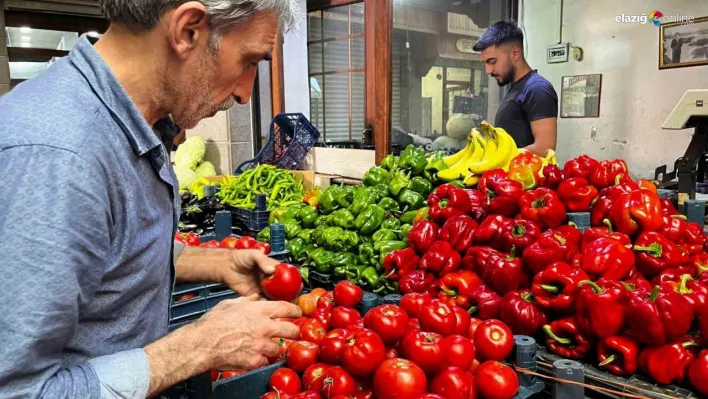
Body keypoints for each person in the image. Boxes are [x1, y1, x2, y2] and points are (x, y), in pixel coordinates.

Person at [0, 1, 302, 398]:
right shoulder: (59, 158)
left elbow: (107, 250)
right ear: (188, 30)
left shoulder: (134, 123)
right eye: (249, 61)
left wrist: (212, 261)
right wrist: (197, 347)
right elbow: (18, 391)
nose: (247, 94)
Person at [473, 20, 558, 156]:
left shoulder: (537, 89)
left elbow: (545, 149)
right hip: (507, 176)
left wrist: (497, 157)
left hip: (525, 176)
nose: (488, 70)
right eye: (485, 63)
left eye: (492, 61)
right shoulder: (515, 87)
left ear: (515, 53)